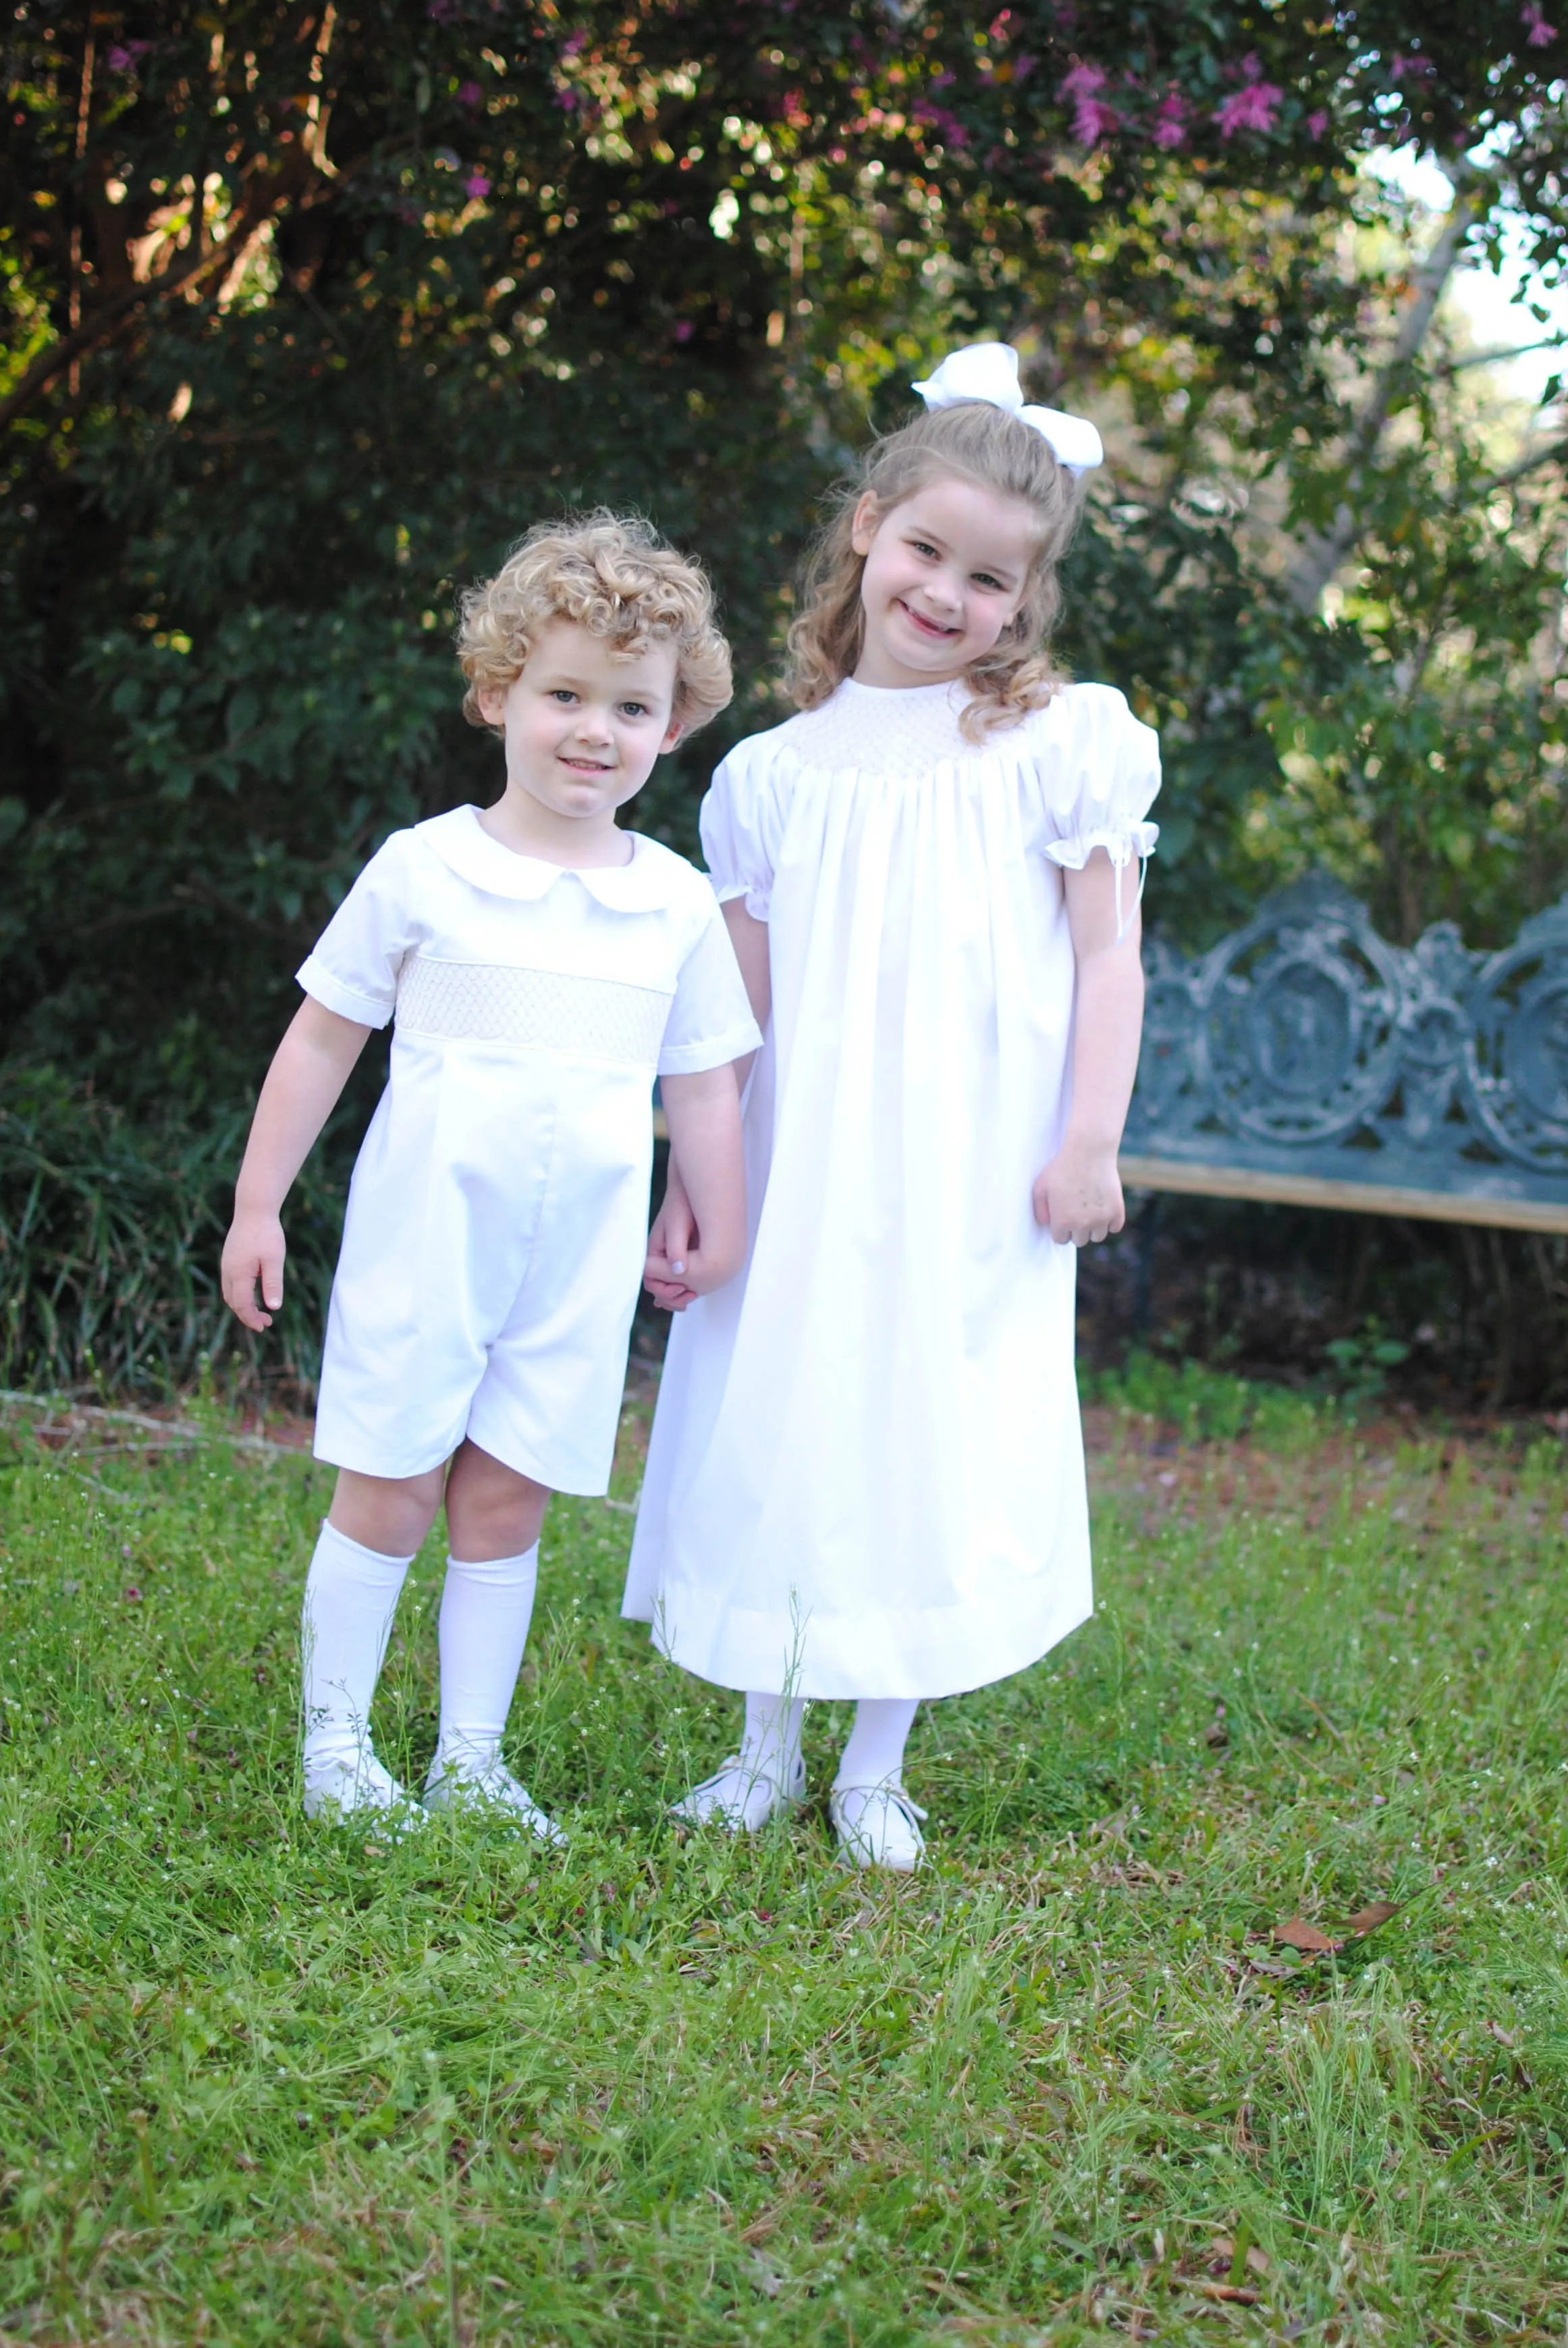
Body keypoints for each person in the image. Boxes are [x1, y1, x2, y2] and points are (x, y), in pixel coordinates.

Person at [624, 344, 1161, 1870]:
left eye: (991, 579)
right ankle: (759, 1744)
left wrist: (1088, 1136)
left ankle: (875, 1761)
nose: (948, 593)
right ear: (869, 527)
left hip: (972, 1159)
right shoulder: (771, 777)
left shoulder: (1062, 744)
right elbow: (729, 1012)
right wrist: (694, 1177)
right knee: (782, 1416)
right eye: (927, 549)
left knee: (924, 1427)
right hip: (802, 1154)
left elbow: (1106, 953)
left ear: (1024, 600)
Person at [221, 514, 761, 1838]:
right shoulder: (429, 869)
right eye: (563, 693)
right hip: (428, 1234)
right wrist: (257, 1202)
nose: (593, 729)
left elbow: (702, 1082)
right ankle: (336, 1746)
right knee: (397, 1480)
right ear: (497, 694)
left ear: (672, 724)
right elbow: (323, 1034)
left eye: (629, 705)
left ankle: (472, 1756)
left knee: (508, 1487)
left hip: (572, 1253)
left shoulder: (674, 903)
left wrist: (724, 1225)